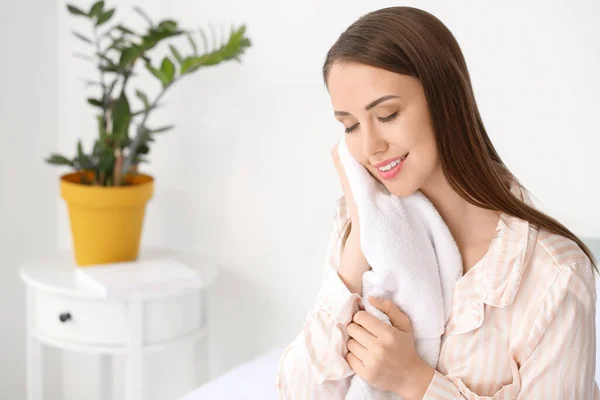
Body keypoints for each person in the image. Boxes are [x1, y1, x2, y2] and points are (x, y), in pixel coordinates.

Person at [275, 6, 599, 400]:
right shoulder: (360, 227)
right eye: (351, 126)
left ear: (445, 101)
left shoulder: (554, 276)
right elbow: (298, 392)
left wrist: (414, 380)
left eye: (388, 114)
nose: (371, 147)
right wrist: (360, 240)